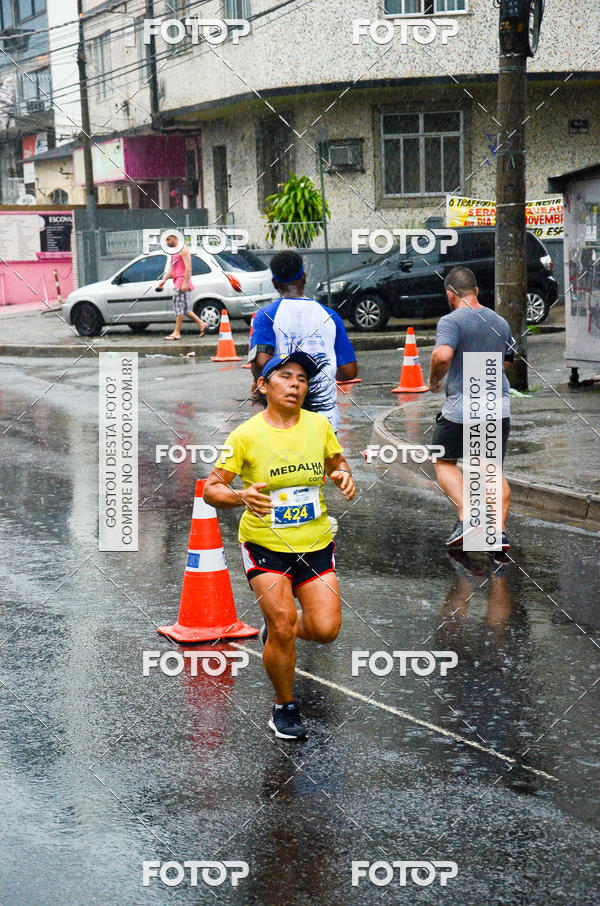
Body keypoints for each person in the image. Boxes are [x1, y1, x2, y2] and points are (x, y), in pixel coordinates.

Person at [203, 351, 355, 740]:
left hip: (316, 542)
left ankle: (275, 633)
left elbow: (338, 463)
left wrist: (342, 476)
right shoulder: (246, 436)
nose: (295, 384)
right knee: (285, 622)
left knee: (325, 629)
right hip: (265, 546)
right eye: (285, 376)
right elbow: (211, 489)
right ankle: (284, 707)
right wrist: (241, 497)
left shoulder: (319, 426)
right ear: (263, 385)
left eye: (302, 379)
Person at [428, 266, 514, 550]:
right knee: (489, 467)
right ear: (476, 291)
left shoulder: (451, 321)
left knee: (444, 461)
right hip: (496, 405)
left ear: (451, 294)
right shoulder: (499, 321)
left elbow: (442, 354)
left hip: (462, 407)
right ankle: (498, 532)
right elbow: (508, 361)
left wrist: (434, 380)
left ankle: (469, 518)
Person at [248, 251, 358, 432]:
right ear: (304, 278)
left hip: (284, 420)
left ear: (274, 283)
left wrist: (258, 382)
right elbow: (349, 370)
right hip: (325, 420)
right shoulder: (331, 316)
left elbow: (261, 361)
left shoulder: (265, 316)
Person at [156, 233, 207, 340]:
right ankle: (202, 324)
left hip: (181, 283)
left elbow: (188, 267)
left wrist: (185, 283)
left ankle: (177, 333)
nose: (167, 242)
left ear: (175, 238)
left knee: (178, 308)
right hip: (179, 282)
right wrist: (164, 280)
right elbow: (172, 269)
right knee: (185, 309)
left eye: (168, 240)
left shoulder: (183, 249)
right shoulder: (174, 252)